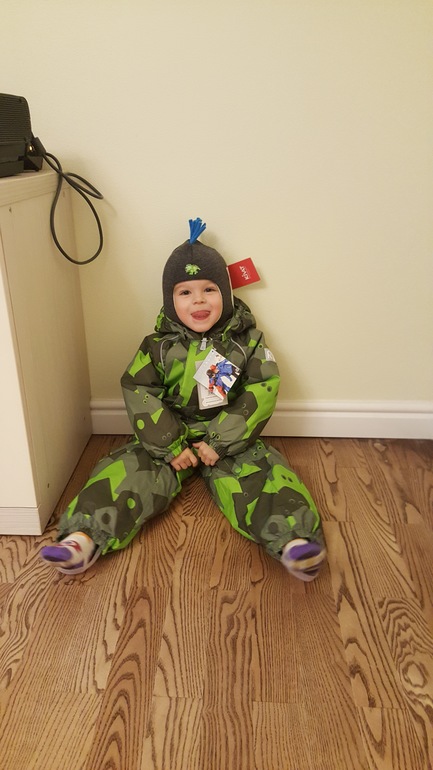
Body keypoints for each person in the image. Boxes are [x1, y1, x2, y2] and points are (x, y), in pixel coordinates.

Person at [40, 219, 326, 581]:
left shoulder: (247, 343)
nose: (199, 300)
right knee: (125, 473)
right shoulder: (157, 347)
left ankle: (294, 543)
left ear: (227, 294)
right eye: (185, 292)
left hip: (226, 439)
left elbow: (262, 387)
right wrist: (170, 445)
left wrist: (219, 441)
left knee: (263, 475)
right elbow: (139, 389)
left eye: (209, 289)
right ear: (170, 300)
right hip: (166, 437)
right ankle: (82, 539)